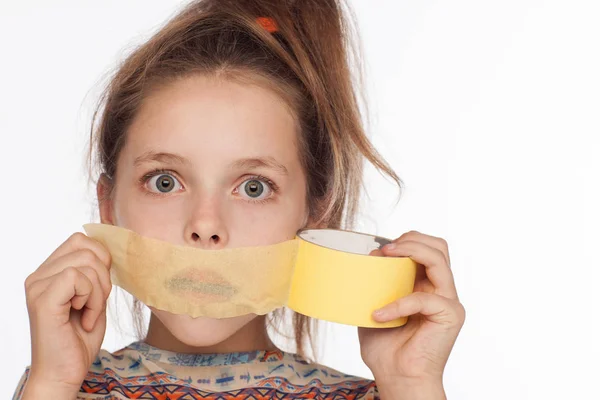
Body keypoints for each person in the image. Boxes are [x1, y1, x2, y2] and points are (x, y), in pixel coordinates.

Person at [13, 0, 465, 398]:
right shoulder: (60, 385)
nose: (206, 225)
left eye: (254, 187)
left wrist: (412, 386)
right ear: (110, 207)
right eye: (165, 181)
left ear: (315, 217)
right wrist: (52, 387)